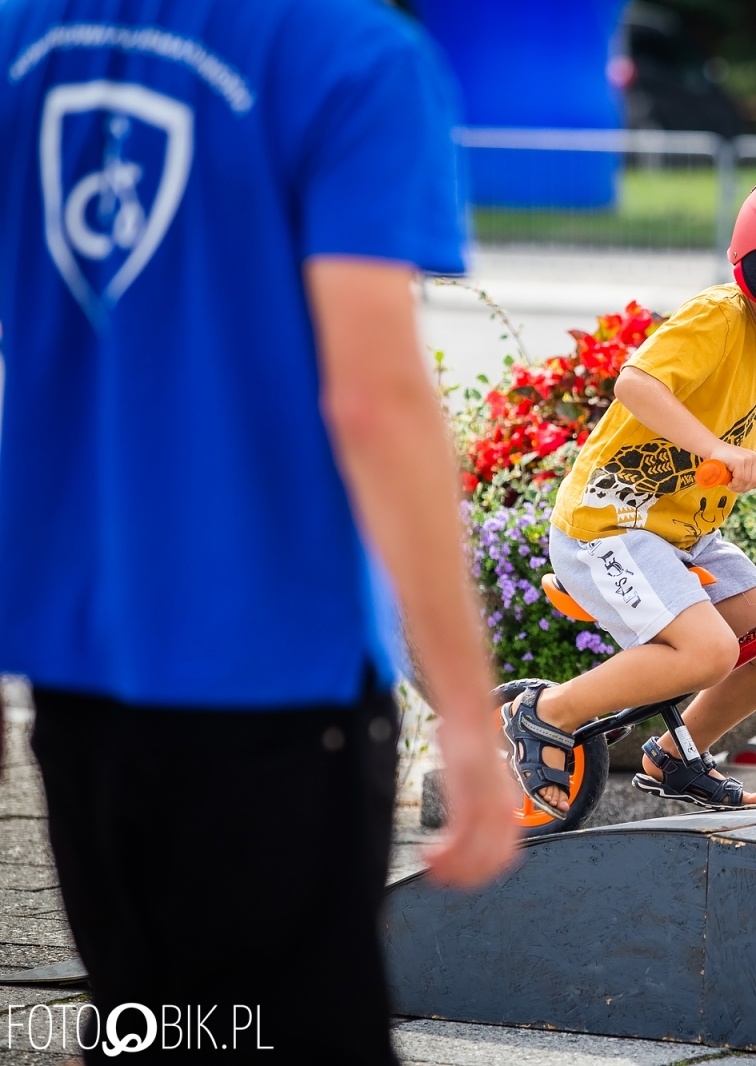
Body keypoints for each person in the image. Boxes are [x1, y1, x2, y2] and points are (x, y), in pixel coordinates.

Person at [0, 1, 518, 1061]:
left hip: (77, 669)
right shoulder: (351, 54)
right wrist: (470, 711)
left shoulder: (26, 38)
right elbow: (374, 398)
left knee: (152, 1022)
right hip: (274, 678)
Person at [502, 164, 756, 817]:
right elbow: (636, 384)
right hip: (612, 523)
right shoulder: (719, 317)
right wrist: (716, 450)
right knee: (709, 651)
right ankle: (542, 712)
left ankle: (675, 755)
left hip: (683, 530)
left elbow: (748, 405)